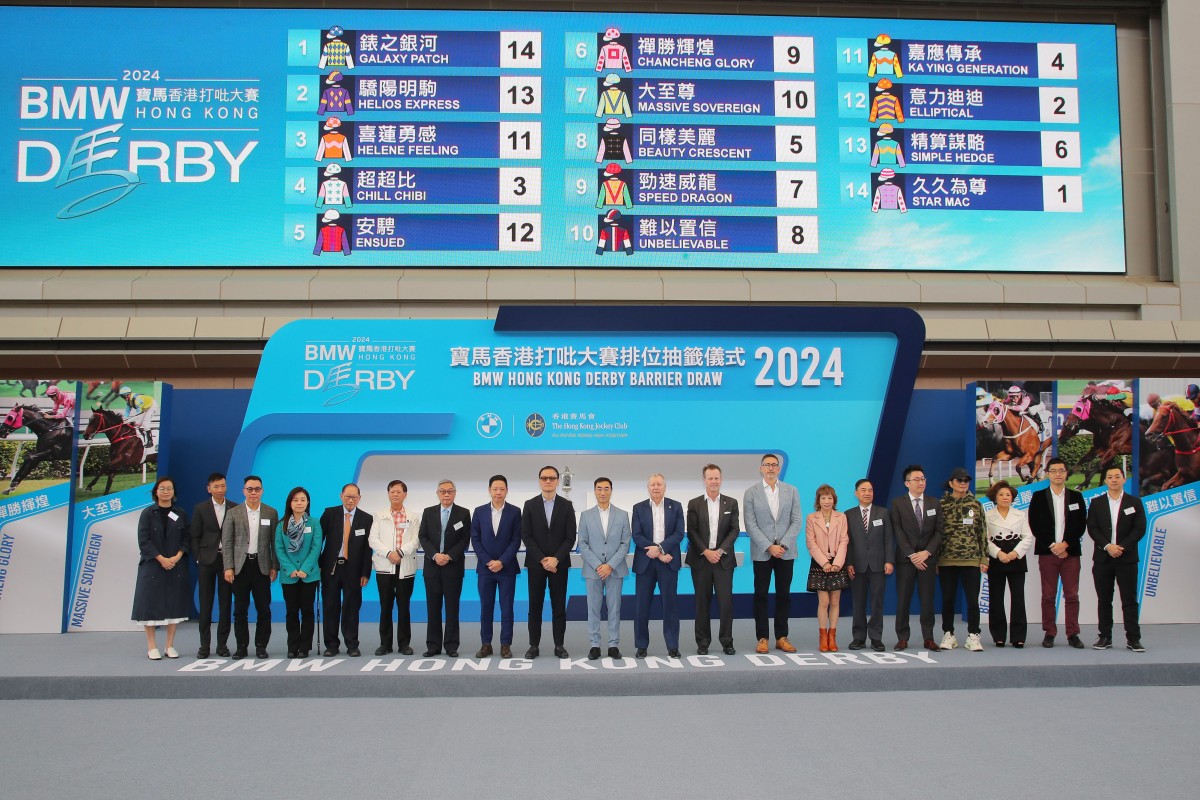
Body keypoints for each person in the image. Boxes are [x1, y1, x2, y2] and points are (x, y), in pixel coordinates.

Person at [744, 454, 803, 654]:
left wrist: (783, 545)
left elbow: (796, 521)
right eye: (767, 465)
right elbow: (750, 524)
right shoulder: (751, 493)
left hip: (786, 553)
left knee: (783, 595)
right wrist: (769, 546)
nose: (770, 468)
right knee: (760, 595)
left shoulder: (792, 491)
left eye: (774, 465)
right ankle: (762, 638)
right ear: (761, 468)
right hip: (763, 552)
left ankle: (781, 637)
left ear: (779, 469)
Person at [1027, 457, 1087, 648]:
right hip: (1047, 552)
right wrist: (1053, 545)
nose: (1058, 474)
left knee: (1072, 595)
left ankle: (1073, 633)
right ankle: (1049, 632)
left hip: (1070, 553)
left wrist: (1066, 544)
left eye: (1062, 470)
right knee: (1048, 595)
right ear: (1047, 473)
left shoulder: (1076, 497)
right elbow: (1035, 524)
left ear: (1066, 473)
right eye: (1054, 471)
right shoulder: (1038, 497)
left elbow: (1080, 524)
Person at [1086, 466, 1147, 652]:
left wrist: (1121, 547)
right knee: (1104, 600)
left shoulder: (1134, 502)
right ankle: (1105, 637)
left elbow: (1139, 529)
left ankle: (1133, 639)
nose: (1113, 479)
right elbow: (1093, 528)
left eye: (1117, 476)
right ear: (1105, 480)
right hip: (1103, 559)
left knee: (1129, 600)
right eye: (1110, 477)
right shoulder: (1096, 503)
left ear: (1124, 479)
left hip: (1126, 558)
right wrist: (1108, 546)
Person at [132, 476, 191, 660]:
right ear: (156, 492)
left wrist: (177, 557)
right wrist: (161, 559)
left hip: (175, 564)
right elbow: (144, 541)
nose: (166, 492)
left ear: (174, 493)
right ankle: (151, 646)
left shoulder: (180, 513)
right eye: (162, 488)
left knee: (174, 604)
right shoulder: (148, 513)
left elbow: (186, 539)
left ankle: (169, 645)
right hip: (152, 565)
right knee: (149, 604)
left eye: (170, 489)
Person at [221, 475, 279, 659]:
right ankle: (241, 647)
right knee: (240, 610)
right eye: (250, 489)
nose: (253, 492)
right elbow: (227, 542)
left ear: (262, 491)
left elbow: (274, 542)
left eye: (257, 489)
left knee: (264, 609)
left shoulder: (271, 512)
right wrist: (228, 567)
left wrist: (274, 566)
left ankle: (261, 646)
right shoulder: (233, 512)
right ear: (243, 491)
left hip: (261, 567)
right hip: (240, 567)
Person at [521, 467, 576, 659]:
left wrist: (556, 558)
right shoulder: (529, 505)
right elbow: (526, 536)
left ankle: (559, 645)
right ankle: (533, 645)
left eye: (552, 478)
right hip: (537, 564)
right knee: (534, 607)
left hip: (559, 565)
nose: (548, 481)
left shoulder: (567, 506)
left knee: (558, 606)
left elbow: (570, 537)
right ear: (539, 481)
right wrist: (543, 559)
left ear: (558, 481)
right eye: (544, 478)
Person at [686, 465, 740, 656]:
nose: (714, 481)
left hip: (723, 561)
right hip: (701, 561)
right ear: (704, 480)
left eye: (717, 478)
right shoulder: (694, 503)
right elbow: (691, 531)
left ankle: (727, 641)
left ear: (721, 479)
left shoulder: (731, 503)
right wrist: (706, 551)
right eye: (710, 478)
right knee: (702, 603)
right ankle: (703, 642)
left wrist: (720, 550)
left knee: (726, 603)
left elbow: (735, 530)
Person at [891, 464, 944, 651]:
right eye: (916, 479)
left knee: (927, 600)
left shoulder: (934, 503)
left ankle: (928, 638)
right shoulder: (898, 504)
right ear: (907, 483)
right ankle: (902, 637)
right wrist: (912, 555)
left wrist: (926, 552)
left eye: (923, 479)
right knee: (903, 599)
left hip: (927, 559)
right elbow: (897, 531)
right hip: (906, 560)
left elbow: (939, 531)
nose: (921, 482)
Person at [631, 473, 685, 659]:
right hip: (646, 563)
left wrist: (660, 550)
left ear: (665, 487)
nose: (656, 487)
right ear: (648, 487)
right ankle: (641, 646)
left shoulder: (676, 506)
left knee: (670, 605)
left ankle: (672, 646)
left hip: (668, 562)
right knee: (641, 606)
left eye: (659, 484)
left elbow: (679, 534)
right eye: (652, 484)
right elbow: (636, 535)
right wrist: (657, 552)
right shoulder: (638, 508)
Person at [578, 476, 632, 660]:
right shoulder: (585, 515)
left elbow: (625, 544)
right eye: (599, 488)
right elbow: (582, 543)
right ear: (594, 491)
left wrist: (609, 565)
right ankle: (594, 645)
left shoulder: (623, 515)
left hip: (615, 569)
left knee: (614, 608)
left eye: (606, 488)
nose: (602, 492)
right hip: (593, 570)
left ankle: (613, 645)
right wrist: (598, 565)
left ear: (611, 490)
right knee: (593, 608)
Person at [936, 467, 988, 652]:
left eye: (966, 480)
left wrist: (984, 557)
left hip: (971, 560)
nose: (963, 483)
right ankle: (948, 634)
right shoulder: (940, 504)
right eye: (959, 480)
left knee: (972, 600)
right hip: (946, 560)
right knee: (948, 600)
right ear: (951, 483)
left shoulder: (975, 504)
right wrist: (935, 560)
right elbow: (936, 534)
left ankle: (973, 635)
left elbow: (982, 532)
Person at [318, 483, 373, 657]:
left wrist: (365, 572)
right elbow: (318, 541)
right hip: (332, 568)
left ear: (359, 498)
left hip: (354, 570)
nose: (350, 500)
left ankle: (352, 644)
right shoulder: (329, 514)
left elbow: (367, 549)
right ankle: (331, 645)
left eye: (354, 497)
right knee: (330, 606)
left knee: (352, 607)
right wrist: (318, 566)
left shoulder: (366, 518)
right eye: (347, 497)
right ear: (341, 496)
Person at [471, 475, 522, 659]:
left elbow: (516, 540)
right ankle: (486, 644)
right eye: (495, 489)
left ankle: (505, 644)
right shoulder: (479, 512)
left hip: (507, 569)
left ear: (507, 490)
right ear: (489, 490)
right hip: (485, 570)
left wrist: (502, 561)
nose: (498, 492)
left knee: (507, 608)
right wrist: (487, 561)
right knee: (486, 607)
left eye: (502, 489)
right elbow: (475, 539)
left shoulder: (515, 512)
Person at [419, 480, 471, 658]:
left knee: (452, 608)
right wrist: (435, 555)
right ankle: (433, 645)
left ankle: (451, 645)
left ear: (455, 493)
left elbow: (465, 540)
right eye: (443, 491)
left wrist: (448, 556)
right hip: (432, 567)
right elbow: (423, 537)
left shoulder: (464, 513)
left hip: (453, 568)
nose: (446, 494)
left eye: (450, 491)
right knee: (433, 608)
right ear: (437, 493)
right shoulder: (428, 512)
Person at [369, 479, 420, 656]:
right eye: (392, 491)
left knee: (404, 606)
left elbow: (416, 540)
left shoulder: (413, 516)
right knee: (386, 606)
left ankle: (404, 643)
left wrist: (400, 552)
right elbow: (373, 539)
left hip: (405, 566)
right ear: (388, 494)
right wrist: (389, 553)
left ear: (405, 494)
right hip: (385, 566)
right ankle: (385, 643)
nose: (395, 494)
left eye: (399, 491)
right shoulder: (379, 515)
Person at [984, 480, 1034, 647]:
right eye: (1001, 494)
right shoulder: (987, 515)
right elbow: (984, 539)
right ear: (994, 497)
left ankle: (1018, 636)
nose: (1005, 497)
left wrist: (1014, 553)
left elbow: (1028, 537)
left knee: (1018, 598)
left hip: (1016, 559)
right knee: (996, 598)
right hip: (997, 559)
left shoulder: (1020, 514)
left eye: (1008, 495)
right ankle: (998, 635)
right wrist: (998, 553)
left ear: (1013, 498)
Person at [191, 472, 235, 658]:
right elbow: (194, 535)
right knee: (206, 604)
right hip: (207, 561)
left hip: (227, 562)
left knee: (225, 605)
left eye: (223, 486)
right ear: (209, 489)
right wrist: (198, 557)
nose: (220, 490)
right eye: (216, 486)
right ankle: (204, 646)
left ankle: (222, 646)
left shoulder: (234, 507)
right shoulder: (200, 508)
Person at [846, 479, 893, 652]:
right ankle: (858, 638)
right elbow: (848, 543)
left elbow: (888, 539)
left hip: (878, 565)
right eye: (863, 490)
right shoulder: (848, 514)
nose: (867, 493)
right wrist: (848, 563)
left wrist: (889, 560)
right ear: (856, 493)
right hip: (856, 566)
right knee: (858, 603)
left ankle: (876, 638)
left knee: (877, 603)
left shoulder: (883, 513)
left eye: (870, 490)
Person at [274, 487, 320, 659]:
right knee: (291, 612)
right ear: (290, 503)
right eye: (296, 500)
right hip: (289, 576)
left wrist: (305, 569)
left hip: (309, 575)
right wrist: (291, 569)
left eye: (302, 500)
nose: (299, 503)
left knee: (307, 611)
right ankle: (292, 646)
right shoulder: (281, 525)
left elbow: (316, 548)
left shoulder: (314, 523)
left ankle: (304, 647)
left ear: (307, 503)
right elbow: (279, 549)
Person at [805, 484, 850, 652]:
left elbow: (844, 540)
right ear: (818, 500)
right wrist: (824, 563)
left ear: (834, 500)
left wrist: (837, 563)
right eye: (823, 498)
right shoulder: (811, 518)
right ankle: (823, 637)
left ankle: (832, 636)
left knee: (835, 601)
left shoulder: (842, 517)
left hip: (838, 563)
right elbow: (811, 542)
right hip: (820, 564)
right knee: (823, 602)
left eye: (829, 498)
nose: (826, 501)